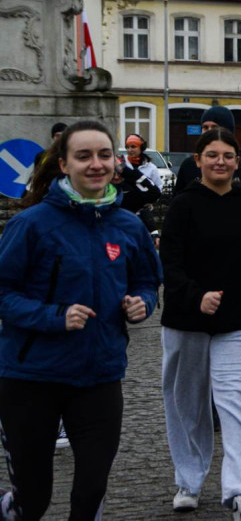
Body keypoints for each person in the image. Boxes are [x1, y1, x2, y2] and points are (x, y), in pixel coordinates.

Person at [0, 120, 161, 521]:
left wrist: (141, 303)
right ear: (63, 165)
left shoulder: (128, 224)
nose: (96, 164)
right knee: (33, 501)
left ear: (116, 162)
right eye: (84, 156)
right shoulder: (31, 224)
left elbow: (146, 280)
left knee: (90, 491)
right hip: (31, 377)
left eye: (104, 155)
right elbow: (3, 293)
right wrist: (55, 317)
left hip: (99, 375)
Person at [159, 128, 241, 518]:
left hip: (239, 321)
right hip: (185, 319)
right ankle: (189, 480)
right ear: (197, 160)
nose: (220, 162)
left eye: (228, 156)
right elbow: (170, 263)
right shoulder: (182, 206)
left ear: (238, 162)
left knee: (236, 402)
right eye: (212, 155)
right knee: (187, 404)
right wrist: (197, 295)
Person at [173, 106, 241, 225]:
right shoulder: (189, 165)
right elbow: (177, 208)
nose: (209, 131)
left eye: (215, 127)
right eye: (205, 127)